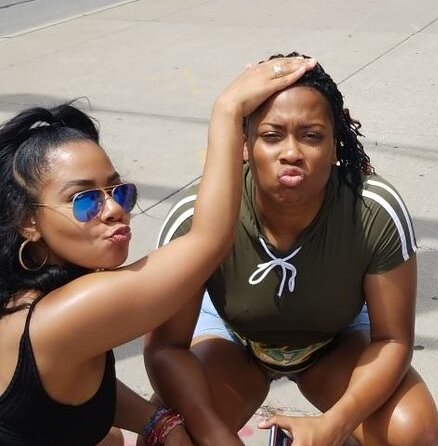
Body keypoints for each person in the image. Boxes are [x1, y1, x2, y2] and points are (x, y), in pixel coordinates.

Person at [0, 56, 316, 445]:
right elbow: (209, 241)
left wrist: (157, 421)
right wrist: (228, 111)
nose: (113, 209)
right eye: (84, 200)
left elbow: (78, 383)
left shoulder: (41, 300)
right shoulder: (63, 314)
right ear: (27, 221)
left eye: (118, 191)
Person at [144, 52, 438, 446]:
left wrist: (334, 425)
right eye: (271, 136)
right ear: (244, 143)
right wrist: (215, 436)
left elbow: (393, 340)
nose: (291, 152)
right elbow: (165, 347)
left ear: (336, 146)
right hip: (234, 339)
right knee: (171, 436)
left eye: (311, 136)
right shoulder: (194, 215)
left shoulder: (373, 209)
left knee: (412, 430)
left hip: (335, 342)